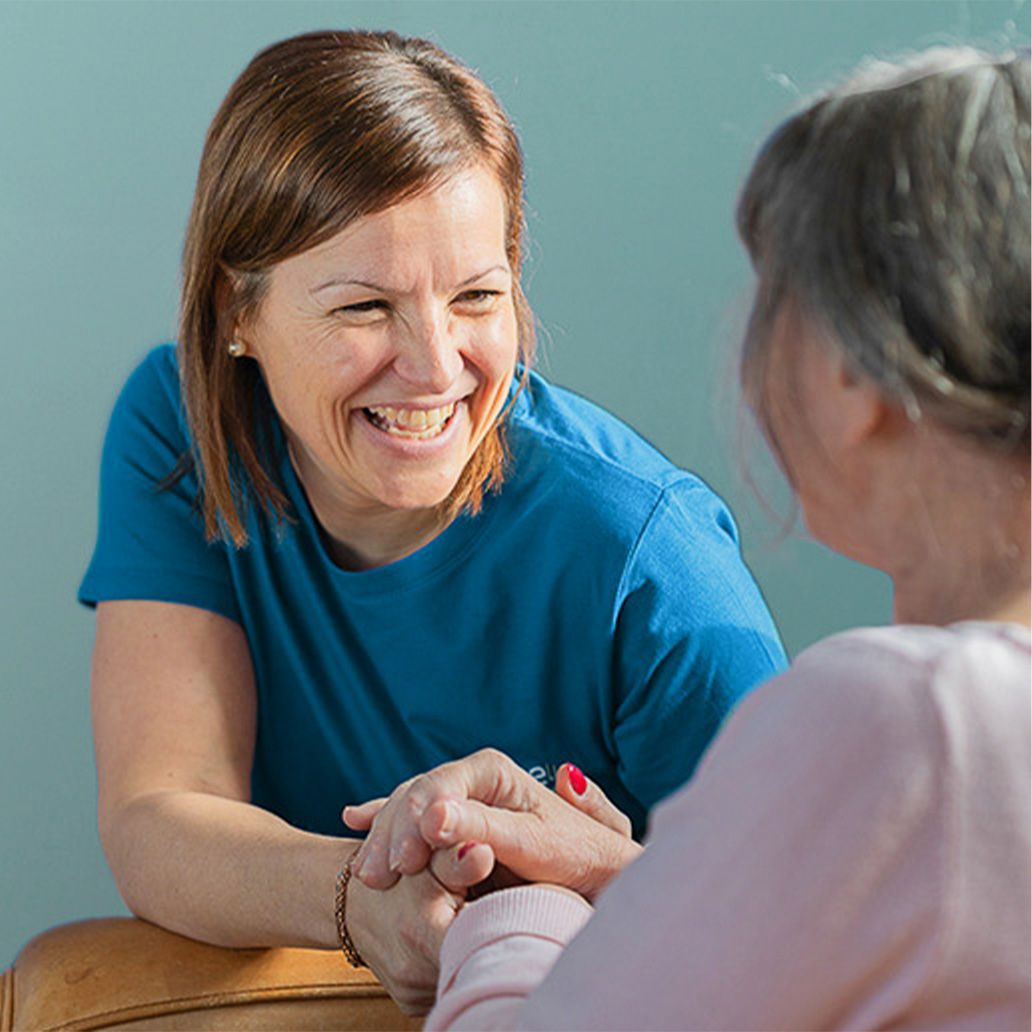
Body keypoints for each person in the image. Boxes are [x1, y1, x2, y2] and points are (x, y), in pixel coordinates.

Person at [78, 29, 785, 1012]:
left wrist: (607, 884)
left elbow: (818, 934)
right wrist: (361, 894)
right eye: (366, 307)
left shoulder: (651, 559)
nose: (436, 365)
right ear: (237, 313)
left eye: (477, 297)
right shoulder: (184, 431)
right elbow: (160, 811)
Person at [351, 47, 1032, 1030]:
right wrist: (632, 879)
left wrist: (517, 908)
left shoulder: (910, 723)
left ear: (856, 375)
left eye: (776, 298)